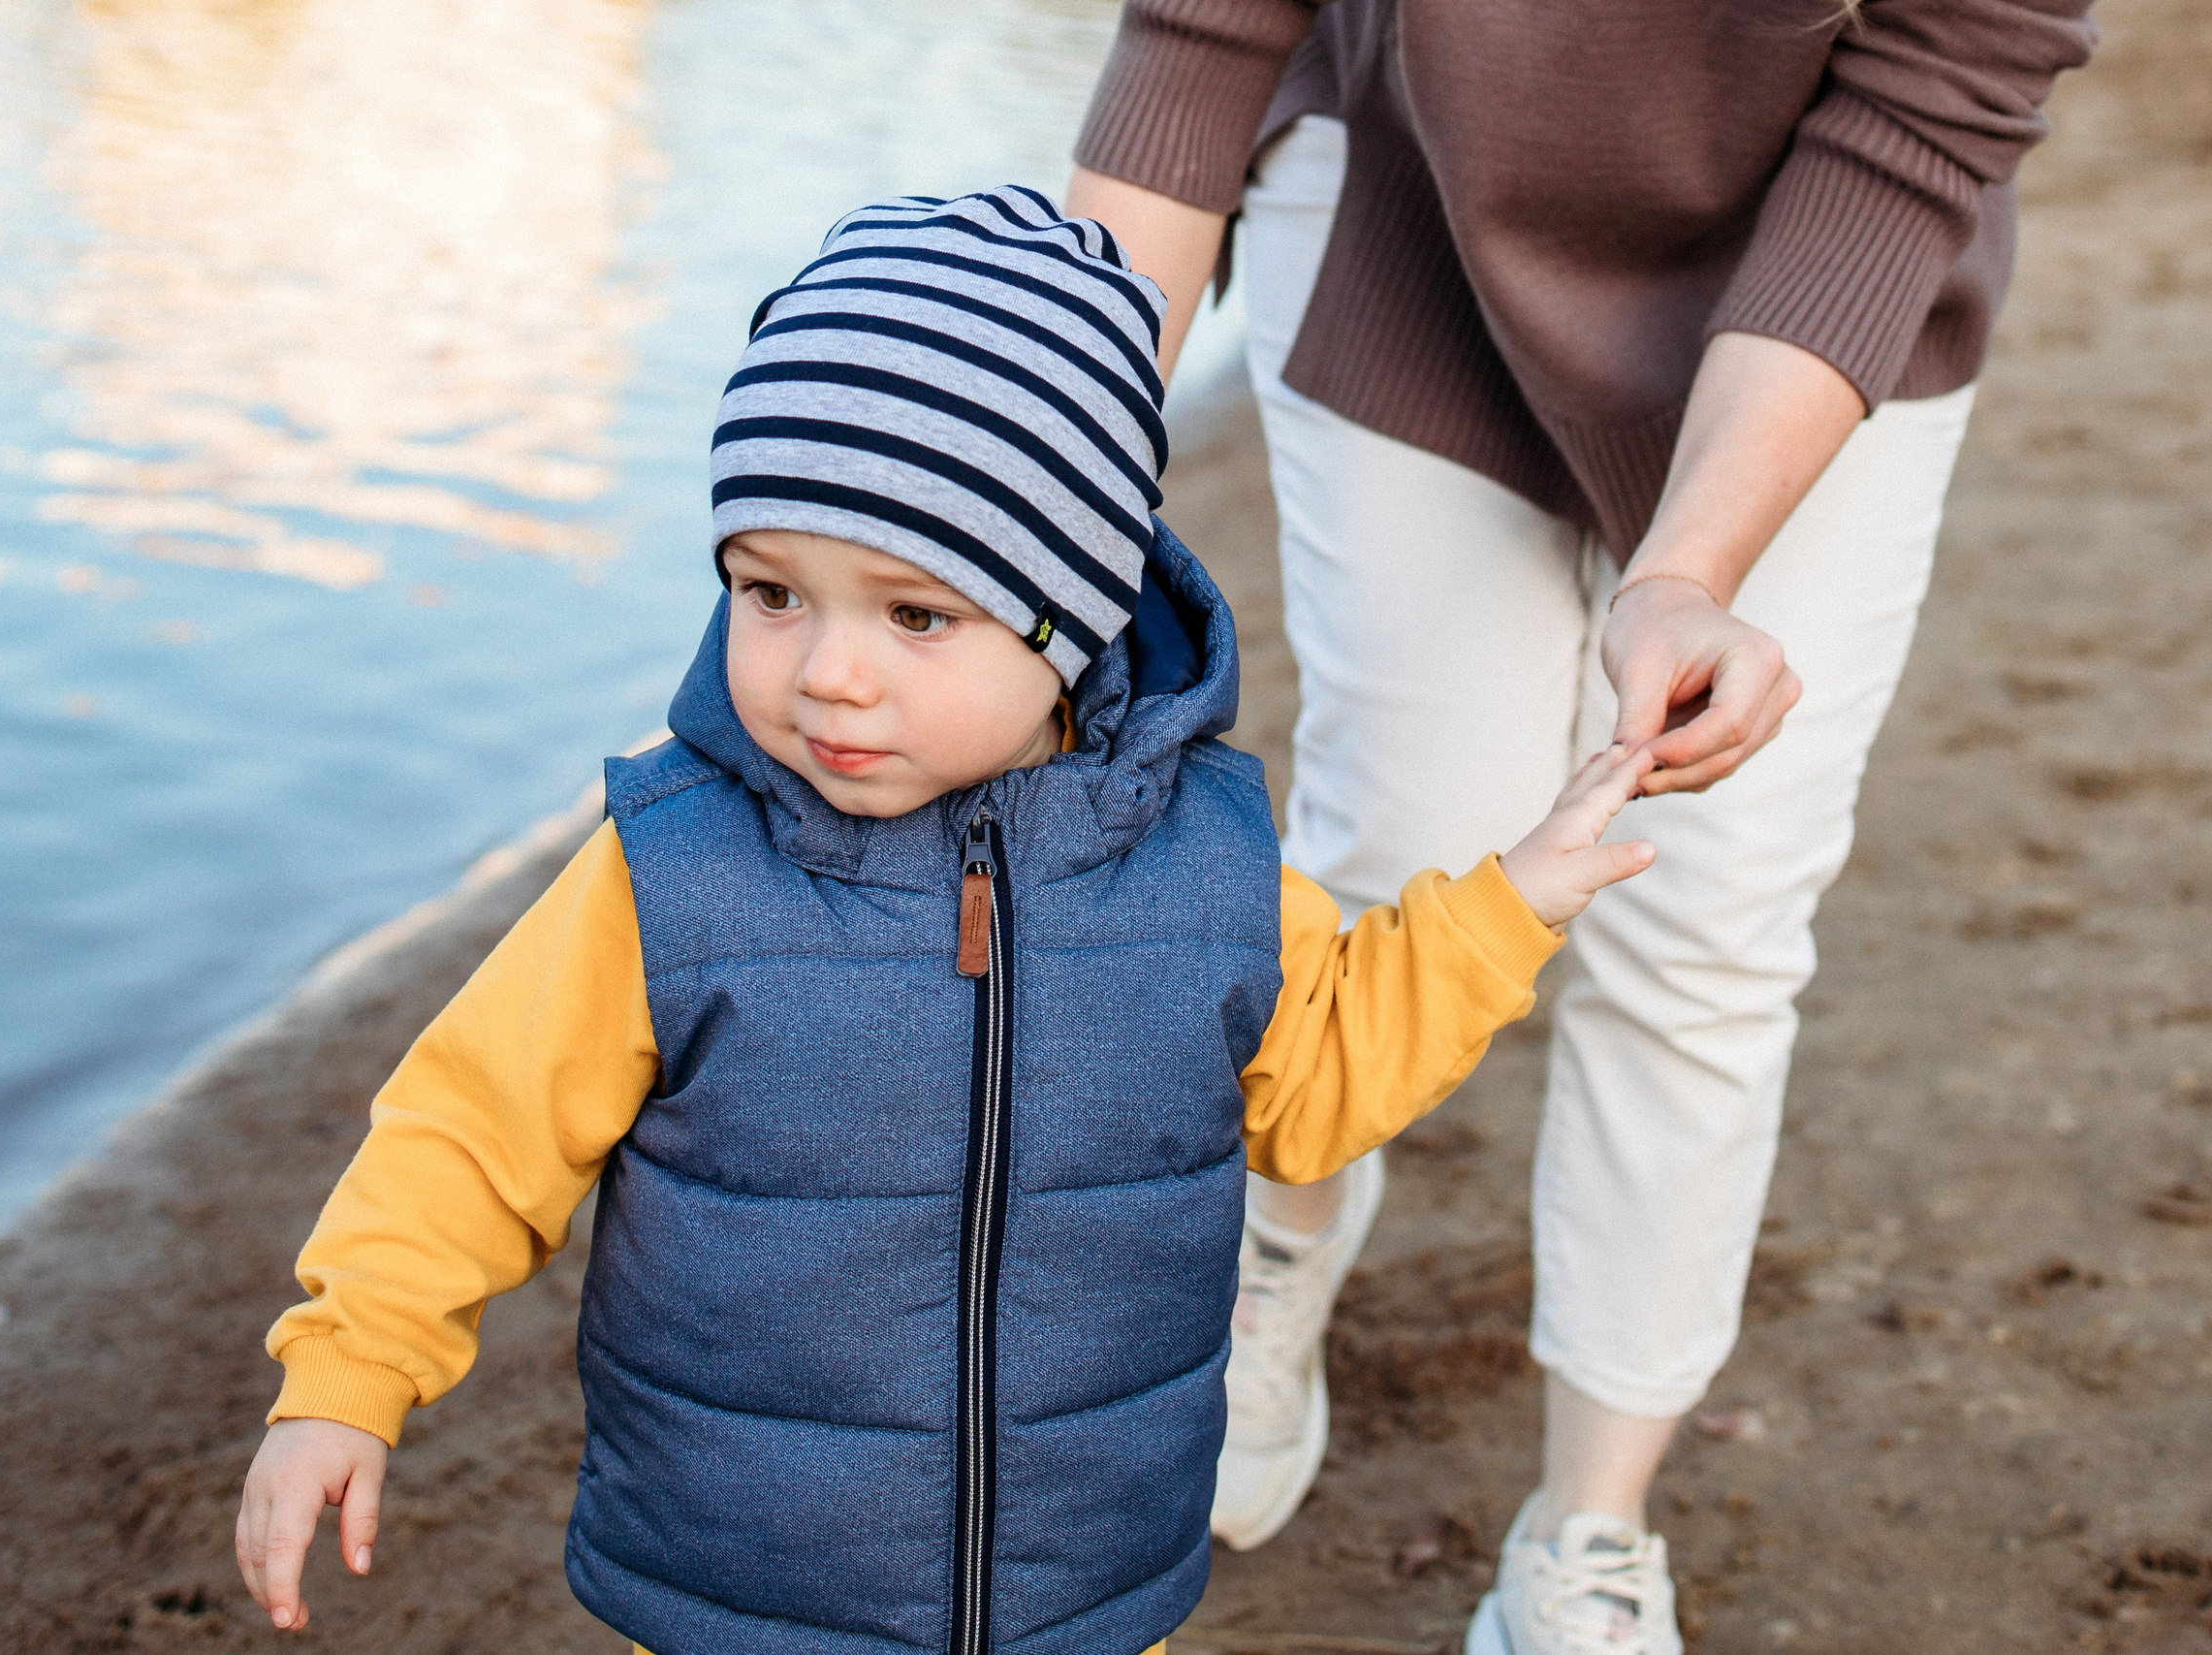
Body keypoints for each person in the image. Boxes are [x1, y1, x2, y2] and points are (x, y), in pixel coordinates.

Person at [231, 188, 1663, 1654]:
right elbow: (471, 1138)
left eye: (916, 615)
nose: (828, 674)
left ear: (1073, 618)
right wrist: (346, 1375)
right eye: (772, 593)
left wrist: (1507, 909)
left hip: (1082, 1579)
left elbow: (1322, 1082)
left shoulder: (1199, 867)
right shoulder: (676, 874)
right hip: (748, 1588)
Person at [1063, 2, 2097, 1650]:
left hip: (1837, 255)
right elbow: (1203, 30)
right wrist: (1038, 489)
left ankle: (1592, 1527)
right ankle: (1283, 1232)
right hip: (1409, 188)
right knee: (1408, 845)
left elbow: (1926, 107)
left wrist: (1688, 573)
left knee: (1707, 912)